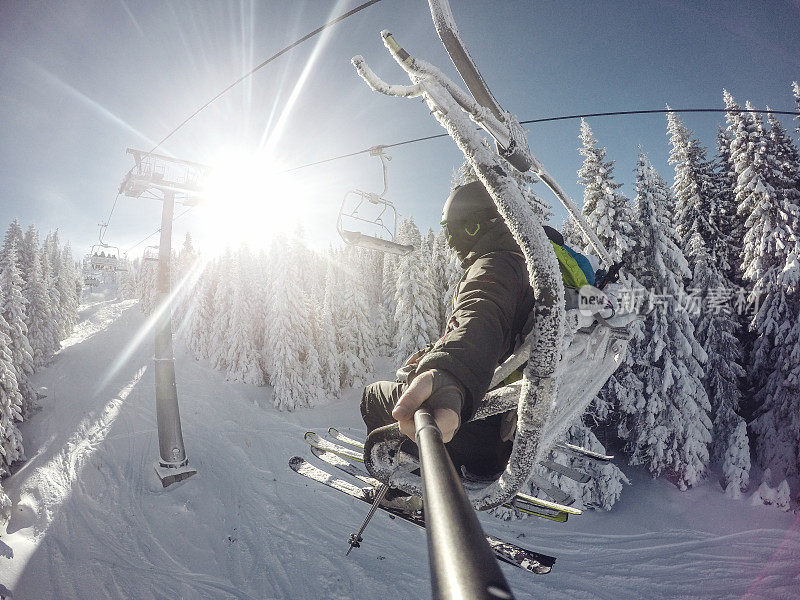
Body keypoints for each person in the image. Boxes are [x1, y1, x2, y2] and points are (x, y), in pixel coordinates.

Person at [360, 179, 535, 510]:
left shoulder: (493, 268)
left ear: (482, 224)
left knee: (372, 397)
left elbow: (481, 316)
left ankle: (399, 490)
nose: (450, 240)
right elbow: (489, 332)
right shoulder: (523, 266)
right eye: (445, 229)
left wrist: (449, 373)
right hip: (503, 434)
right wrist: (433, 356)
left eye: (458, 229)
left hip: (472, 439)